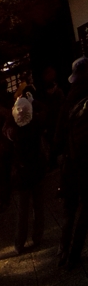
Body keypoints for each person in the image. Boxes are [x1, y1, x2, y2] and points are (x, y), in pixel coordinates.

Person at [56, 57, 88, 268]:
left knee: (69, 210)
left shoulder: (67, 102)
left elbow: (57, 137)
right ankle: (74, 254)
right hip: (85, 163)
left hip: (70, 164)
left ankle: (63, 253)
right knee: (85, 210)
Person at [9, 93, 47, 254]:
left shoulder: (14, 132)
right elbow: (45, 111)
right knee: (38, 207)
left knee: (22, 211)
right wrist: (32, 101)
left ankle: (19, 242)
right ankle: (37, 237)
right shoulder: (36, 125)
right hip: (37, 170)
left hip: (22, 173)